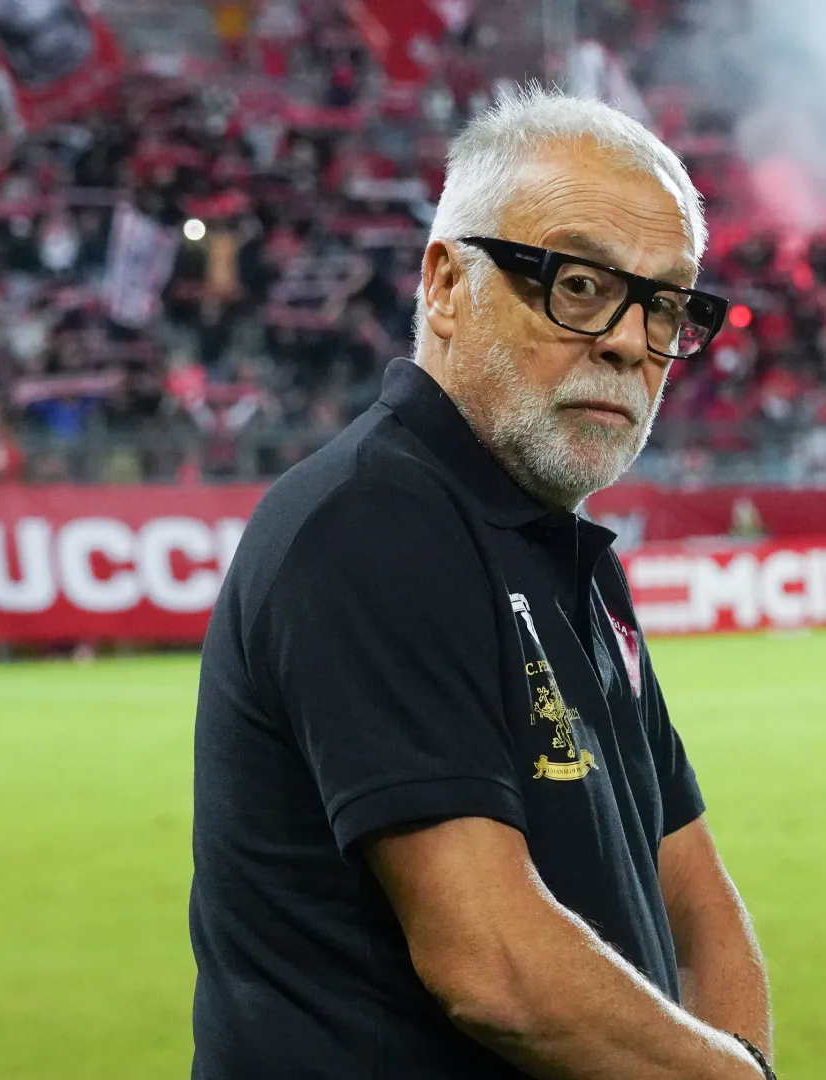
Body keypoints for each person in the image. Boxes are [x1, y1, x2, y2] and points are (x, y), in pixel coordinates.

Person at [189, 87, 774, 1080]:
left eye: (665, 305)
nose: (629, 341)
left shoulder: (567, 552)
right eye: (579, 284)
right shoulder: (369, 527)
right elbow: (492, 966)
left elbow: (697, 904)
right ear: (446, 286)